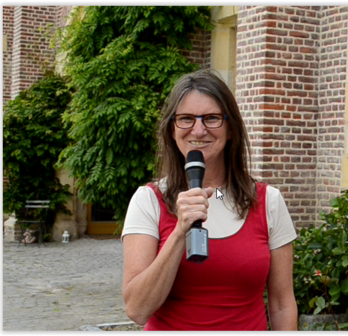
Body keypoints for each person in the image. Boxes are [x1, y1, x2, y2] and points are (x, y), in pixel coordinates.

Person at [121, 69, 298, 331]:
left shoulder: (268, 201)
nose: (199, 130)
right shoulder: (148, 201)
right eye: (186, 119)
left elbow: (282, 304)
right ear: (172, 129)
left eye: (212, 118)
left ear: (230, 129)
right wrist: (180, 231)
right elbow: (137, 310)